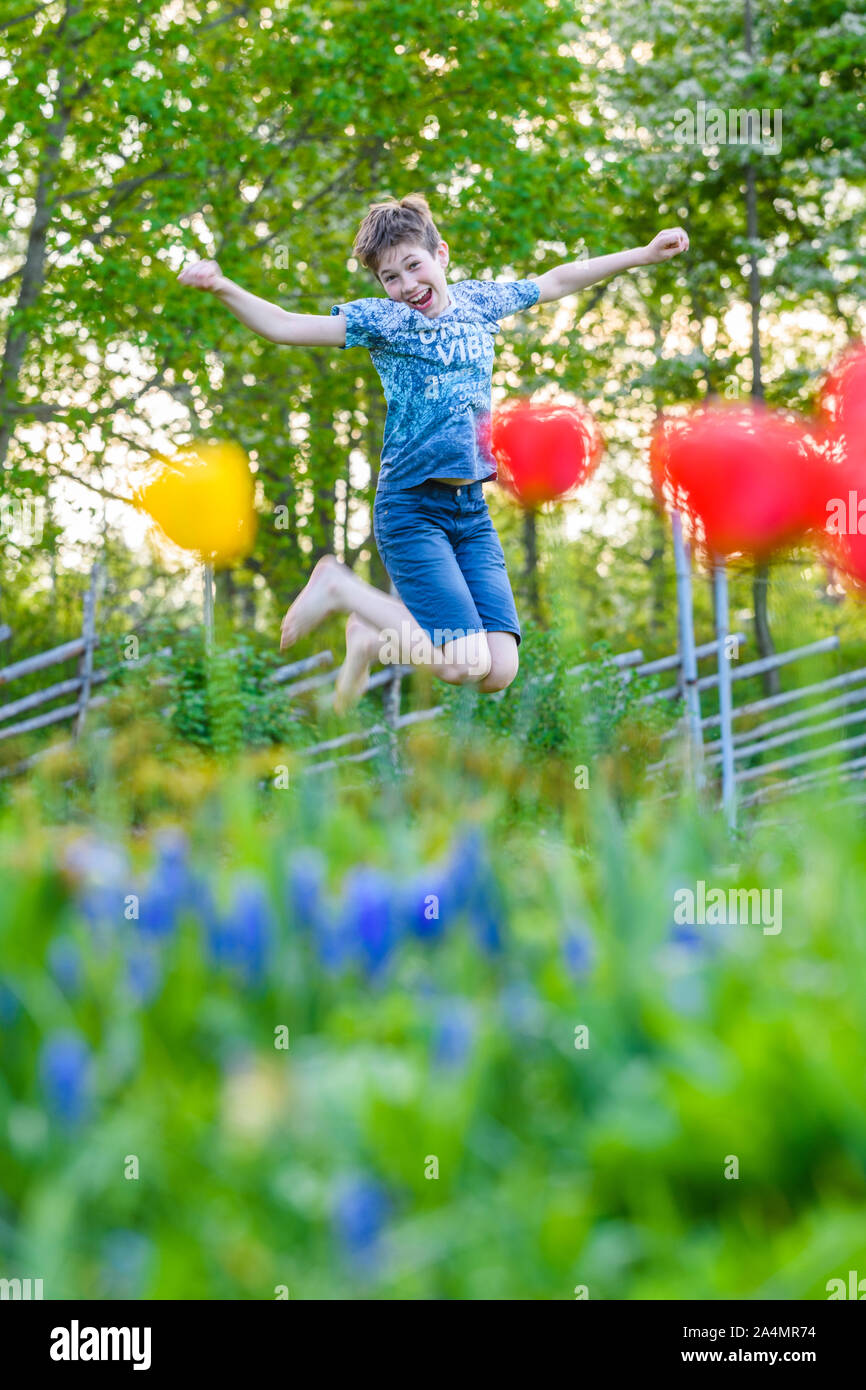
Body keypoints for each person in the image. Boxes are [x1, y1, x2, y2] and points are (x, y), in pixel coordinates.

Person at [177, 194, 688, 712]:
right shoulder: (384, 322)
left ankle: (371, 635)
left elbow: (556, 280)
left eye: (413, 266)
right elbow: (286, 326)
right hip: (411, 508)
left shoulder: (480, 302)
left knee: (499, 670)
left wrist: (640, 255)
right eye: (390, 278)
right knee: (463, 662)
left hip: (470, 510)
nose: (406, 286)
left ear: (440, 254)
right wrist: (221, 286)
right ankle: (337, 586)